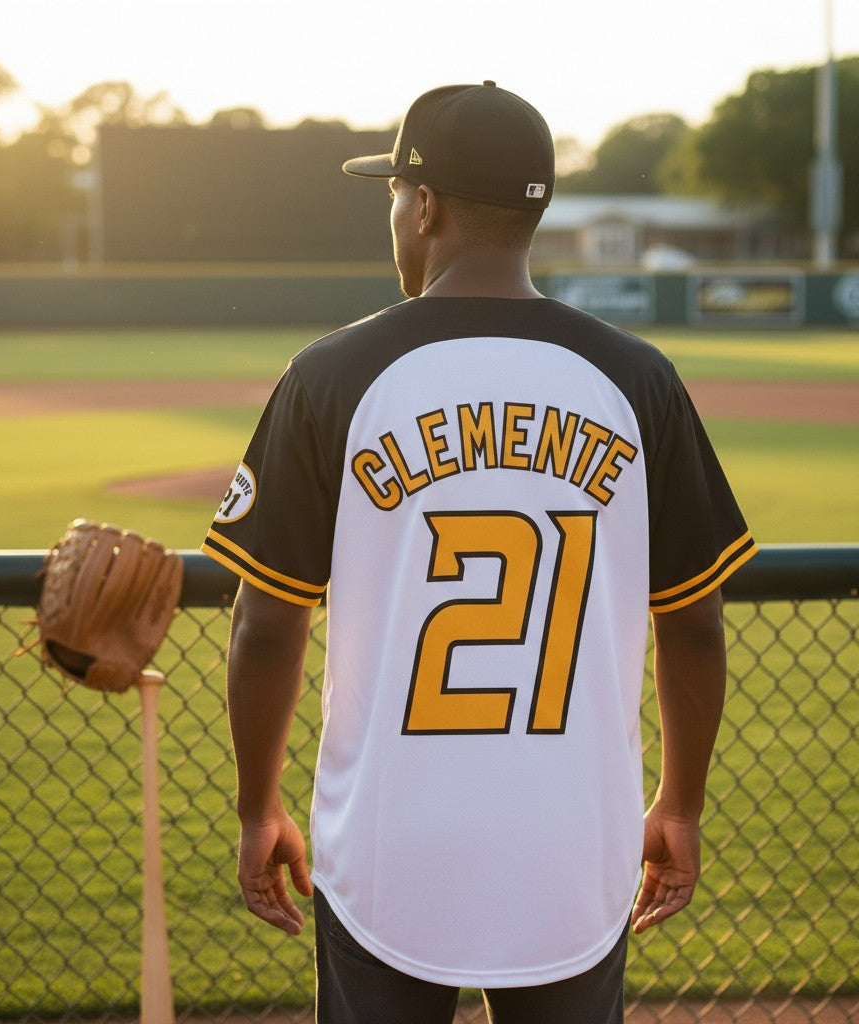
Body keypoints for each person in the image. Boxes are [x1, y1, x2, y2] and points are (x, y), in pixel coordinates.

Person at [201, 80, 756, 1024]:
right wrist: (682, 806)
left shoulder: (332, 373)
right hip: (573, 845)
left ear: (424, 206)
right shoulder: (637, 377)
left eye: (394, 196)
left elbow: (266, 623)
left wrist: (259, 810)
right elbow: (693, 628)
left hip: (386, 843)